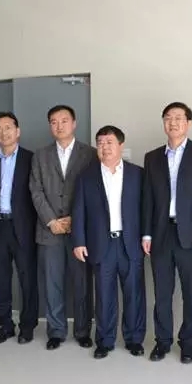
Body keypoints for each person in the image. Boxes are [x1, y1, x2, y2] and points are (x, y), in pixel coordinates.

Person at [142, 102, 192, 363]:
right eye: (168, 118)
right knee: (162, 293)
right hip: (161, 233)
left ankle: (187, 343)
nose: (173, 122)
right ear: (163, 122)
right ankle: (162, 342)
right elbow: (147, 198)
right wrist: (146, 234)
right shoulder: (152, 157)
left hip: (191, 235)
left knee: (190, 293)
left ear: (188, 123)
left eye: (178, 118)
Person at [72, 125, 146, 359]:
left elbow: (146, 209)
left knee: (134, 294)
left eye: (109, 142)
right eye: (100, 143)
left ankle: (134, 339)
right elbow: (79, 211)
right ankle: (105, 341)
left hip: (130, 243)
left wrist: (147, 236)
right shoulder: (86, 176)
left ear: (121, 146)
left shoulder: (137, 174)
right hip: (101, 244)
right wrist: (79, 241)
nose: (104, 147)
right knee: (104, 296)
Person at [30, 105, 96, 350]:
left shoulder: (90, 154)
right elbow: (35, 191)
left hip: (80, 231)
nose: (59, 125)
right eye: (54, 122)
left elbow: (95, 191)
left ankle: (83, 331)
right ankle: (56, 331)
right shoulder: (40, 155)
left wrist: (74, 220)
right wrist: (51, 221)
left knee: (82, 283)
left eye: (64, 120)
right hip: (49, 231)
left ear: (74, 123)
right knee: (53, 283)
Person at [0, 111, 38, 345]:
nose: (4, 132)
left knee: (28, 279)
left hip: (24, 227)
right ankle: (5, 325)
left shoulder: (31, 159)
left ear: (17, 131)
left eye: (8, 127)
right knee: (1, 279)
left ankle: (27, 326)